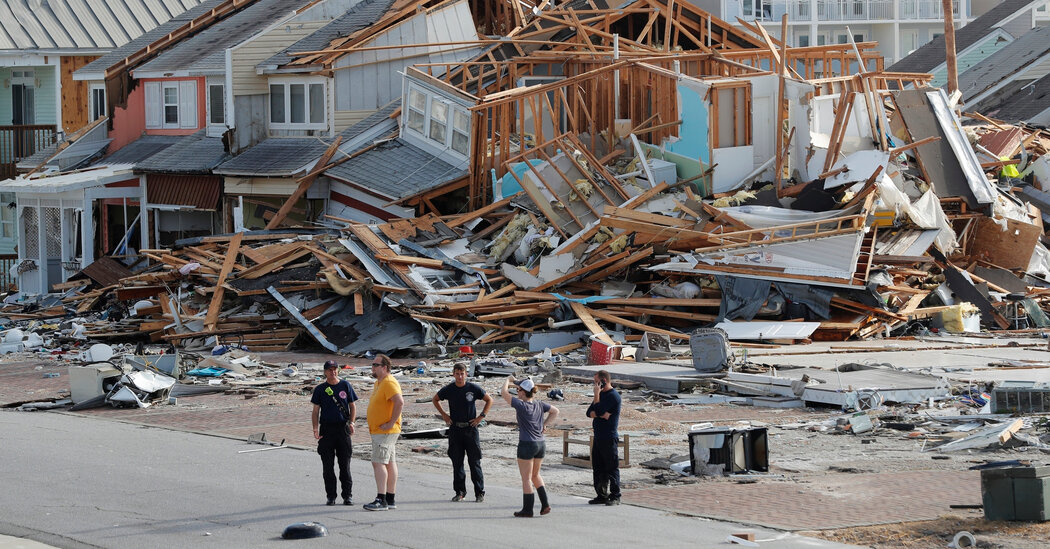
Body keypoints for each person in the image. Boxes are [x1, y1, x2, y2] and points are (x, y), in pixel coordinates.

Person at [433, 363, 493, 503]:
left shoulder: (473, 388)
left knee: (474, 462)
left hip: (471, 429)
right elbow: (435, 399)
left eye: (462, 373)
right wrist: (444, 415)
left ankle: (479, 492)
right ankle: (460, 492)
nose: (460, 376)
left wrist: (481, 417)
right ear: (453, 374)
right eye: (457, 374)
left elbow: (489, 400)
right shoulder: (449, 389)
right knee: (457, 462)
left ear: (466, 374)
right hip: (455, 430)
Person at [501, 374, 559, 517]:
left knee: (526, 478)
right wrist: (544, 425)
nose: (517, 392)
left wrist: (508, 380)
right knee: (536, 475)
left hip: (527, 444)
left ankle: (528, 509)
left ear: (523, 391)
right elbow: (555, 411)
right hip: (540, 443)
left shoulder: (521, 405)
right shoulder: (539, 404)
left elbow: (504, 393)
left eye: (519, 390)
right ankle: (545, 504)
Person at [310, 359, 358, 506]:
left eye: (335, 369)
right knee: (328, 466)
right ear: (325, 372)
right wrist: (315, 428)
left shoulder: (345, 385)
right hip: (327, 429)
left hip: (342, 429)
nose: (333, 372)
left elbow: (352, 406)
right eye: (330, 369)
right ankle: (331, 496)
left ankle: (347, 495)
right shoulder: (320, 389)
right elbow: (315, 411)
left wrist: (351, 422)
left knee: (345, 465)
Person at [363, 353, 403, 511]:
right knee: (389, 462)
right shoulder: (379, 383)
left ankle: (381, 499)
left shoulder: (389, 382)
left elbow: (399, 402)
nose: (372, 367)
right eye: (372, 365)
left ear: (384, 367)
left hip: (385, 431)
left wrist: (391, 422)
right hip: (381, 430)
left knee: (378, 462)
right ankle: (390, 497)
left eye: (375, 365)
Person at [586, 369, 622, 505]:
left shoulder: (613, 396)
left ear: (603, 381)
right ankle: (601, 494)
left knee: (611, 467)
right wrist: (600, 412)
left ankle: (615, 495)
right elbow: (589, 412)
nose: (595, 385)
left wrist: (596, 397)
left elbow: (599, 410)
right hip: (598, 437)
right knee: (598, 467)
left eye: (596, 382)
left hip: (609, 436)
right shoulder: (600, 395)